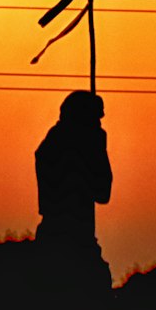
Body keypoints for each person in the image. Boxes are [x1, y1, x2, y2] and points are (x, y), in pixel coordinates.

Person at [34, 92, 112, 286]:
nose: (99, 125)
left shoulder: (52, 145)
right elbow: (102, 191)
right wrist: (98, 150)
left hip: (65, 237)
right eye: (96, 119)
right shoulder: (68, 150)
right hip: (72, 241)